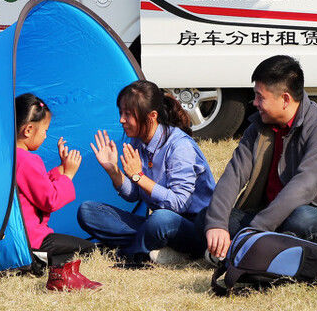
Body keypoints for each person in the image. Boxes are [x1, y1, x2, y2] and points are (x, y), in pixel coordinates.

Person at [203, 55, 317, 261]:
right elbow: (233, 176)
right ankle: (253, 249)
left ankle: (246, 247)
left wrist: (255, 229)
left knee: (301, 220)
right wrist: (217, 224)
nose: (255, 103)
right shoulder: (258, 127)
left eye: (260, 97)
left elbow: (303, 188)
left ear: (285, 99)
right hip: (268, 215)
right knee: (208, 217)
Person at [77, 80, 216, 266]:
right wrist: (114, 171)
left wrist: (139, 177)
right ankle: (156, 247)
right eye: (121, 113)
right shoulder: (137, 141)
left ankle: (132, 254)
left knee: (161, 219)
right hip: (157, 224)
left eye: (128, 114)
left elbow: (179, 204)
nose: (121, 120)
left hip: (193, 227)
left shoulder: (179, 146)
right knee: (88, 211)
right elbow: (134, 195)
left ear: (151, 116)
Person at [14, 93, 102, 292]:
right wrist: (68, 175)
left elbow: (36, 186)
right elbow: (49, 200)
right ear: (28, 130)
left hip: (17, 237)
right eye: (45, 130)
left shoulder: (11, 157)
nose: (46, 135)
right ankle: (36, 263)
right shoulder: (28, 160)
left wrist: (61, 169)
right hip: (33, 239)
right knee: (86, 249)